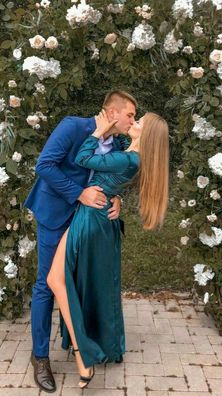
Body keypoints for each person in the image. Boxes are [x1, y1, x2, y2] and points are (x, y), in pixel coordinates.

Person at [24, 90, 137, 393]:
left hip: (86, 221)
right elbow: (44, 165)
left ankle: (81, 343)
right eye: (130, 115)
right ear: (112, 113)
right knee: (47, 283)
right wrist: (78, 193)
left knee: (74, 280)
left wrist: (116, 198)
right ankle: (40, 357)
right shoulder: (73, 126)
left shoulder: (121, 142)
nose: (133, 121)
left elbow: (110, 174)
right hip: (55, 212)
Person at [47, 111, 169, 389]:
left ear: (146, 135)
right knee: (64, 280)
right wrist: (116, 197)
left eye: (139, 123)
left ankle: (84, 355)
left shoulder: (127, 158)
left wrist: (97, 131)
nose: (134, 124)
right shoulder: (130, 158)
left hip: (90, 218)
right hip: (94, 216)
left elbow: (83, 158)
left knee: (56, 280)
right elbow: (108, 181)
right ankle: (87, 350)